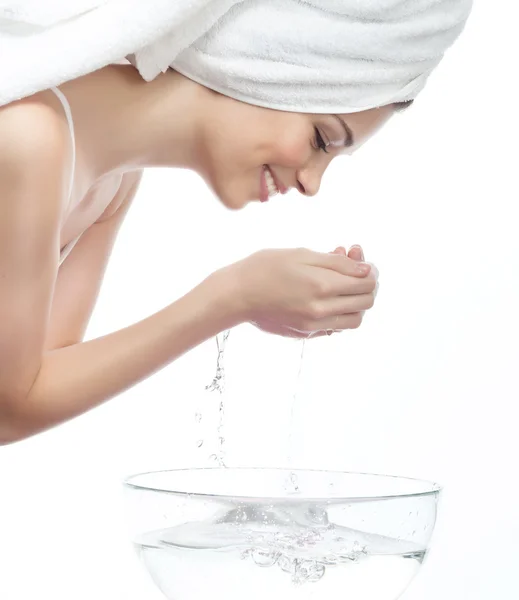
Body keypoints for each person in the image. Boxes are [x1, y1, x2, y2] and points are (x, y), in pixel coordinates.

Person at [0, 0, 472, 446]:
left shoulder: (111, 183)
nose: (312, 183)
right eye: (321, 140)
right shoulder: (27, 137)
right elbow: (10, 410)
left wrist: (249, 299)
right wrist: (234, 296)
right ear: (267, 66)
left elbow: (45, 376)